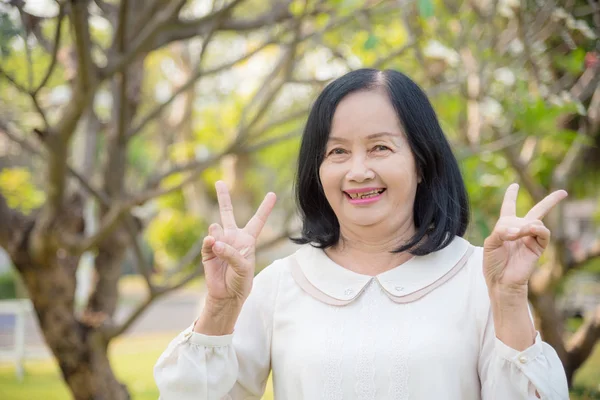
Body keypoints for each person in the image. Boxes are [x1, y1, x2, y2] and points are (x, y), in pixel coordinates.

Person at [153, 69, 569, 399]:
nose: (357, 171)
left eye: (380, 147)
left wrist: (510, 299)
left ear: (421, 162)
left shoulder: (478, 278)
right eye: (337, 152)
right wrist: (221, 308)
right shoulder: (280, 285)